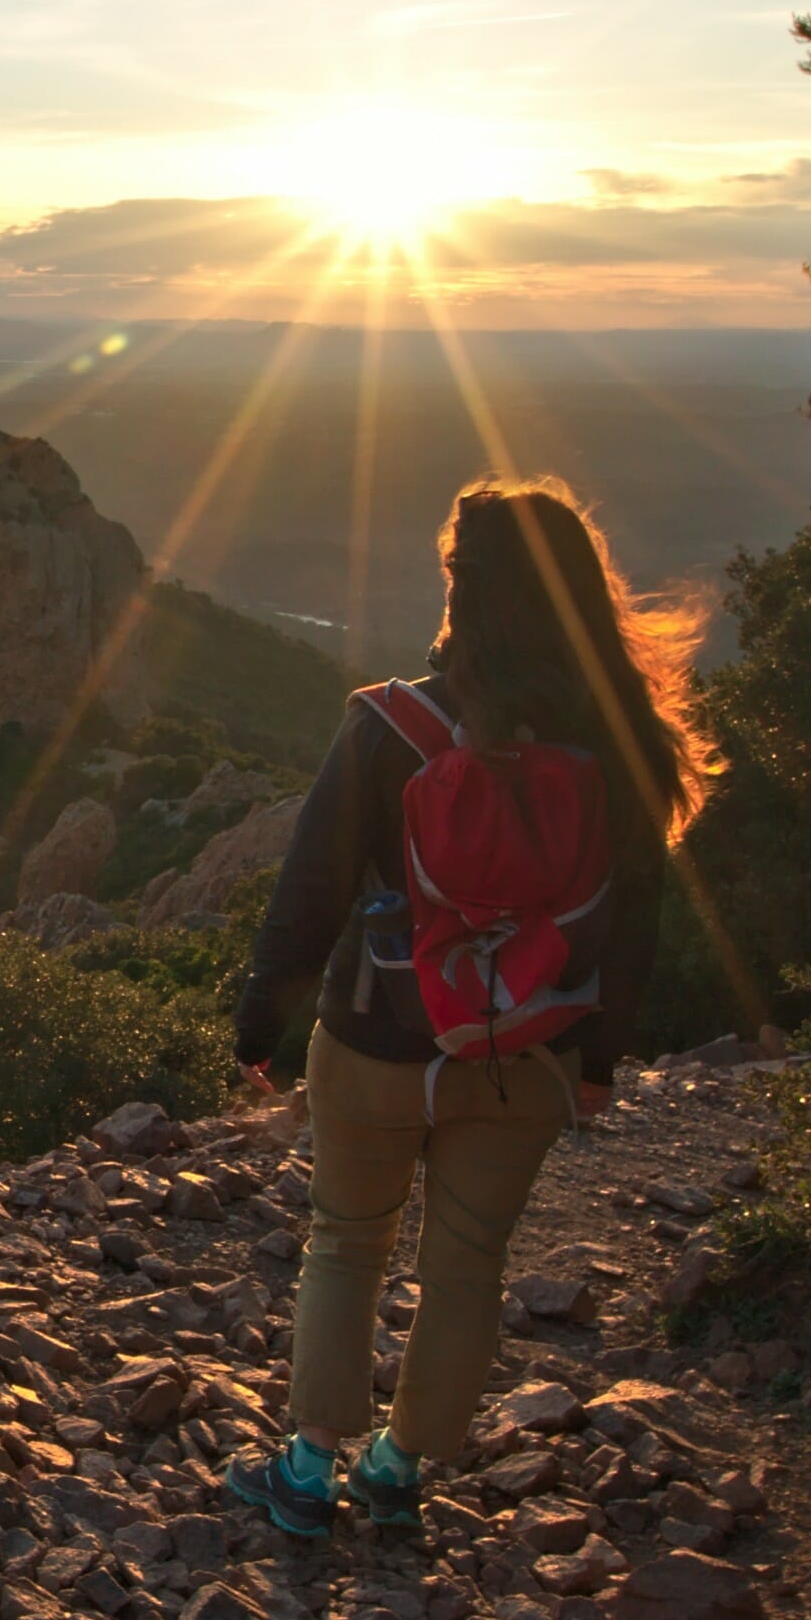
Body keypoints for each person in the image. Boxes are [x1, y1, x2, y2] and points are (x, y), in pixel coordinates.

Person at [222, 477, 716, 1537]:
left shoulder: (388, 726)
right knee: (465, 1263)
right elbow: (632, 925)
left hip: (375, 1033)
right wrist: (597, 1062)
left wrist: (256, 1027)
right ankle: (400, 1468)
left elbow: (305, 895)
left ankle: (307, 1472)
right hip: (528, 1047)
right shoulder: (621, 742)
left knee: (346, 1242)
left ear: (459, 587)